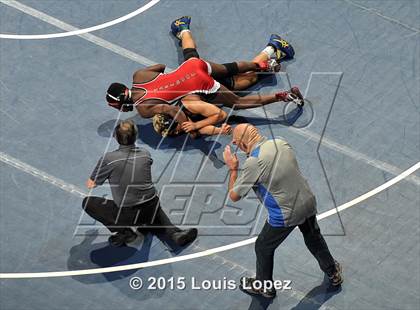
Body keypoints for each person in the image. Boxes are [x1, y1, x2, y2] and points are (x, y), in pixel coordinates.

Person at [105, 16, 303, 137]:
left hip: (198, 84)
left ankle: (283, 96)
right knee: (230, 67)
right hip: (191, 68)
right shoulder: (138, 75)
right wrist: (174, 78)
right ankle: (183, 27)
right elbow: (161, 67)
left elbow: (170, 109)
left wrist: (189, 128)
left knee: (238, 102)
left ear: (121, 101)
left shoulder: (143, 108)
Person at [222, 124, 343, 299]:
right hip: (308, 201)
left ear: (240, 142)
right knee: (313, 237)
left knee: (263, 247)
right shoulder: (280, 142)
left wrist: (233, 168)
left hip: (285, 214)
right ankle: (333, 272)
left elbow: (234, 195)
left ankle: (264, 287)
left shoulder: (253, 162)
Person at [82, 120, 197, 247]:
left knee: (88, 203)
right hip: (152, 205)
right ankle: (174, 233)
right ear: (135, 136)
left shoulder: (108, 159)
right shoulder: (145, 154)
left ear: (115, 137)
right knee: (150, 204)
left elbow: (91, 184)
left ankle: (126, 233)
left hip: (129, 214)